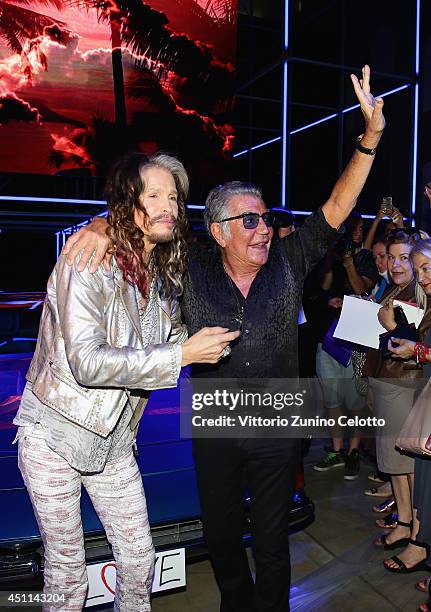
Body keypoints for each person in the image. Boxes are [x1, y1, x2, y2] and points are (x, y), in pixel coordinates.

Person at [63, 65, 385, 611]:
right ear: (218, 231)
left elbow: (338, 206)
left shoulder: (289, 259)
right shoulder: (189, 266)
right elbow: (143, 224)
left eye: (266, 219)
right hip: (215, 420)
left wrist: (370, 138)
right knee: (219, 534)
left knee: (272, 537)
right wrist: (100, 223)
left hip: (281, 419)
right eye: (250, 220)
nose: (264, 228)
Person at [14, 152, 239, 611]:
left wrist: (203, 340)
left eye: (173, 198)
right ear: (125, 203)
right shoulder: (88, 262)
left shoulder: (159, 276)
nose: (168, 207)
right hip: (54, 436)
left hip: (114, 441)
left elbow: (170, 335)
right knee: (67, 569)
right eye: (153, 195)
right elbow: (88, 363)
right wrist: (181, 354)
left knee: (140, 560)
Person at [313, 211, 379, 479]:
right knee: (331, 399)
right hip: (328, 339)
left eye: (361, 227)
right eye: (353, 227)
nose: (357, 232)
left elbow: (361, 288)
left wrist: (349, 261)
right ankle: (337, 450)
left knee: (355, 399)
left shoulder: (365, 258)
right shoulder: (329, 255)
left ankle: (353, 451)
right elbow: (323, 286)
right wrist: (333, 257)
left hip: (357, 339)